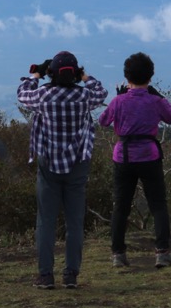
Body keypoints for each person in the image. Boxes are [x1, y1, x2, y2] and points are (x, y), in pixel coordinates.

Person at [17, 51, 108, 289]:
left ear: (52, 74)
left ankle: (46, 276)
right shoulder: (84, 97)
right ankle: (71, 275)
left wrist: (35, 74)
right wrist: (85, 76)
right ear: (75, 74)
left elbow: (22, 94)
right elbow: (101, 92)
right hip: (78, 164)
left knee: (46, 221)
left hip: (48, 164)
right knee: (75, 221)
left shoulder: (44, 96)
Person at [98, 52, 171, 269]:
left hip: (123, 156)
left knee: (121, 206)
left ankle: (118, 255)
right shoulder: (154, 100)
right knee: (158, 205)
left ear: (127, 77)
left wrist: (119, 98)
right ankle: (162, 253)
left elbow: (103, 121)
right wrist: (157, 94)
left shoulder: (119, 101)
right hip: (149, 156)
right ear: (150, 76)